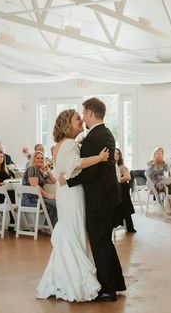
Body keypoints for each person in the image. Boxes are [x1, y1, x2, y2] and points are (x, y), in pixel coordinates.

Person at [37, 109, 110, 302]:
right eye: (77, 118)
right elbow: (74, 164)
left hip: (65, 193)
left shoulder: (60, 145)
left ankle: (64, 277)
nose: (81, 120)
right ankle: (76, 281)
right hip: (72, 195)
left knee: (71, 233)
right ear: (67, 124)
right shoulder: (69, 143)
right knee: (75, 233)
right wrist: (99, 158)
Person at [64, 98, 126, 302]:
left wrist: (69, 182)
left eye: (83, 113)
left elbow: (90, 172)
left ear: (90, 112)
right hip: (108, 196)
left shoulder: (93, 138)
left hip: (99, 199)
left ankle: (108, 290)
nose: (82, 117)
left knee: (100, 243)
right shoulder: (106, 133)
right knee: (105, 242)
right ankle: (116, 283)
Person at [22, 151, 58, 227]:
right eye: (38, 158)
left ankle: (48, 227)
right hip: (30, 200)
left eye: (42, 158)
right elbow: (35, 187)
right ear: (33, 159)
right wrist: (49, 196)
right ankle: (51, 228)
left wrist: (47, 170)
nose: (40, 160)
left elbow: (53, 181)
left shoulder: (39, 171)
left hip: (37, 199)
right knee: (55, 204)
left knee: (56, 202)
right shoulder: (32, 169)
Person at [114, 148, 136, 233]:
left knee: (124, 202)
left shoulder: (122, 167)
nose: (115, 155)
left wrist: (115, 180)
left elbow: (128, 177)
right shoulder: (109, 167)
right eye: (114, 153)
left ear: (120, 156)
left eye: (117, 154)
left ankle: (129, 226)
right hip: (115, 190)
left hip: (122, 190)